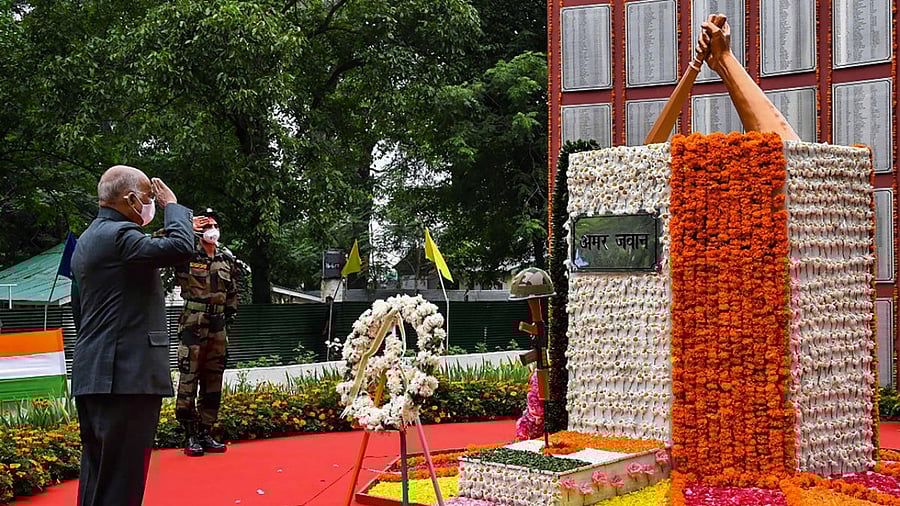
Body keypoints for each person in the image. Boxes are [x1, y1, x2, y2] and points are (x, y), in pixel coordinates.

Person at [71, 165, 194, 506]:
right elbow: (181, 247)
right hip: (125, 376)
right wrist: (173, 207)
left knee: (99, 476)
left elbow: (79, 309)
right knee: (122, 482)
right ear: (131, 199)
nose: (152, 204)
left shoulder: (89, 239)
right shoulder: (121, 237)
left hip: (96, 372)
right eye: (150, 198)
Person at [174, 210, 240, 456]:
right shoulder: (186, 253)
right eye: (207, 224)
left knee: (214, 378)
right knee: (189, 376)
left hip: (218, 323)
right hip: (194, 320)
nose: (212, 228)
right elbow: (158, 242)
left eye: (215, 224)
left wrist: (228, 319)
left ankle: (205, 431)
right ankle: (190, 434)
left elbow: (233, 291)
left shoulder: (226, 258)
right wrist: (185, 227)